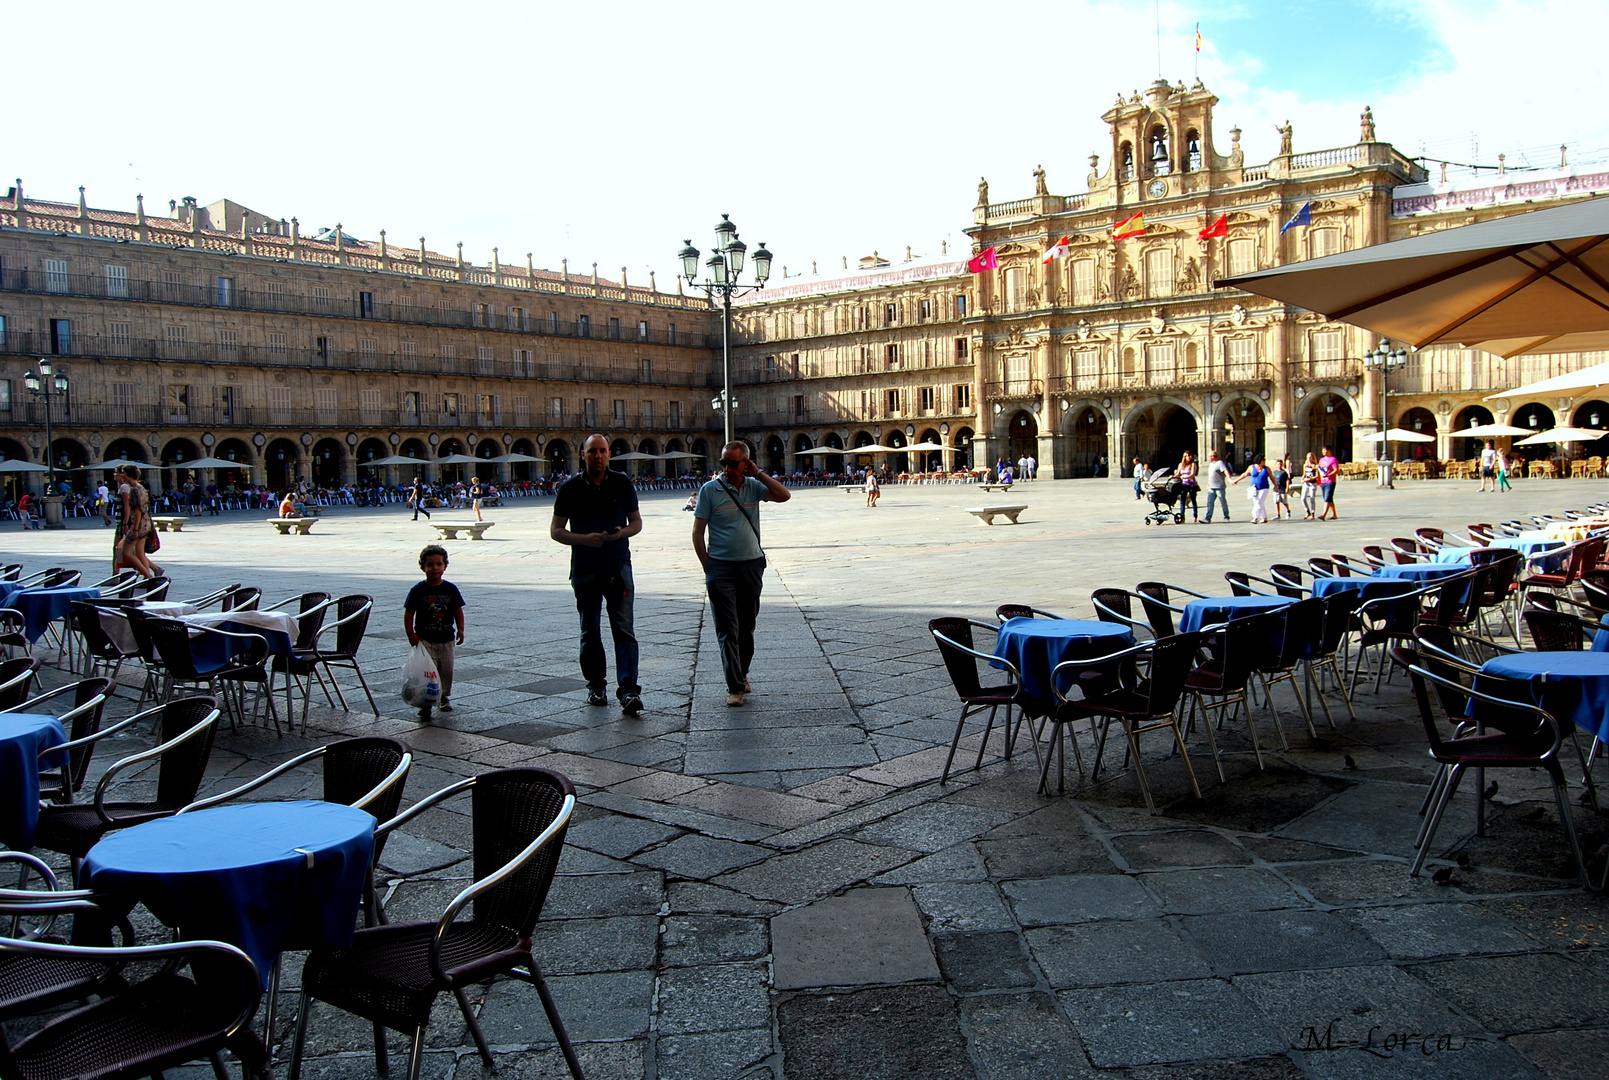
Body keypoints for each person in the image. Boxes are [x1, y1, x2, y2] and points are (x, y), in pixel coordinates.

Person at [692, 440, 791, 707]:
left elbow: (784, 495)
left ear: (745, 464)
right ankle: (734, 686)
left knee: (746, 627)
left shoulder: (754, 487)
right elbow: (697, 532)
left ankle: (743, 674)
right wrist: (708, 566)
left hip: (751, 565)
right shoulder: (709, 490)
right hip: (720, 568)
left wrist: (758, 473)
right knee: (727, 629)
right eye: (723, 462)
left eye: (732, 463)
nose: (726, 468)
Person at [551, 434, 644, 714]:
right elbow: (556, 530)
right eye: (593, 451)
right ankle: (596, 687)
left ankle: (628, 691)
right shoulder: (569, 488)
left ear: (609, 455)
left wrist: (620, 533)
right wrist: (584, 539)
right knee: (589, 631)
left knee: (624, 630)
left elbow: (636, 523)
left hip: (618, 565)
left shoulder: (622, 483)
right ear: (583, 455)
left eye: (603, 451)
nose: (598, 456)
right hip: (585, 568)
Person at [404, 544, 465, 722]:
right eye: (430, 564)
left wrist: (461, 629)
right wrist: (411, 634)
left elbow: (458, 611)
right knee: (427, 673)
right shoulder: (417, 590)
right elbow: (409, 613)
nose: (435, 568)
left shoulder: (450, 589)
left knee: (446, 670)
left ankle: (444, 696)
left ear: (445, 566)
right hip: (425, 639)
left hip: (446, 639)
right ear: (423, 566)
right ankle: (426, 704)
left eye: (439, 564)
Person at [115, 466, 160, 578]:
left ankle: (147, 576)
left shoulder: (134, 489)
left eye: (123, 473)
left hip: (139, 525)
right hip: (146, 524)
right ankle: (148, 577)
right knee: (140, 553)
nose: (121, 475)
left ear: (128, 475)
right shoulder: (141, 487)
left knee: (126, 552)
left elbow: (138, 510)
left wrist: (134, 529)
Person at [1231, 454, 1271, 523]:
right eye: (1263, 460)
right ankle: (1264, 518)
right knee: (1258, 503)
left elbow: (1272, 477)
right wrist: (1236, 480)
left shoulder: (1267, 469)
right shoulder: (1252, 467)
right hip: (1254, 488)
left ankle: (1255, 517)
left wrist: (1276, 486)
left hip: (1264, 488)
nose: (1264, 461)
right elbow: (1245, 474)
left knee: (1259, 502)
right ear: (1259, 461)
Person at [1201, 450, 1231, 522]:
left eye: (1210, 456)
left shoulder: (1220, 463)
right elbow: (1210, 476)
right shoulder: (1211, 465)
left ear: (1213, 456)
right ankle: (1208, 518)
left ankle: (1226, 516)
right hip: (1212, 487)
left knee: (1223, 502)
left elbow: (1225, 471)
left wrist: (1229, 478)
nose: (1209, 457)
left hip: (1219, 487)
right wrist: (1208, 485)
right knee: (1210, 502)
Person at [1176, 451, 1200, 522]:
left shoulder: (1193, 464)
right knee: (1182, 500)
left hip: (1192, 484)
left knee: (1193, 500)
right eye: (1187, 456)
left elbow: (1193, 474)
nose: (1189, 457)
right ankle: (1182, 516)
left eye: (1190, 456)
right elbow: (1178, 473)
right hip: (1183, 485)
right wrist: (1173, 476)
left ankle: (1195, 516)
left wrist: (1186, 477)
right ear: (1184, 457)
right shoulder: (1181, 465)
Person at [1317, 446, 1340, 520]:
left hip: (1330, 481)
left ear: (1329, 451)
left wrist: (1328, 475)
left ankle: (1323, 515)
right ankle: (1334, 514)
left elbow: (1336, 470)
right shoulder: (1321, 460)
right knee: (1328, 499)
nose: (1323, 452)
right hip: (1323, 482)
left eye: (1325, 451)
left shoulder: (1333, 460)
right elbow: (1319, 470)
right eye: (1322, 451)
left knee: (1327, 498)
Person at [1299, 452, 1320, 520]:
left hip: (1312, 483)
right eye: (1308, 457)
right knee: (1303, 498)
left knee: (1312, 498)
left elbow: (1317, 476)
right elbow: (1304, 474)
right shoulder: (1305, 465)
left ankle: (1313, 513)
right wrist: (1302, 479)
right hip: (1306, 483)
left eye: (1311, 457)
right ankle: (1307, 511)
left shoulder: (1315, 466)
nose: (1309, 459)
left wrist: (1310, 479)